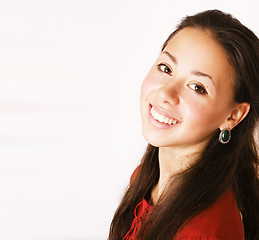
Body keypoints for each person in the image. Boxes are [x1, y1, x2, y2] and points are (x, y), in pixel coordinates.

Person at [108, 9, 259, 240]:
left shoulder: (203, 230)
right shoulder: (147, 181)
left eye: (197, 87)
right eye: (166, 68)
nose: (167, 93)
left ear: (233, 116)